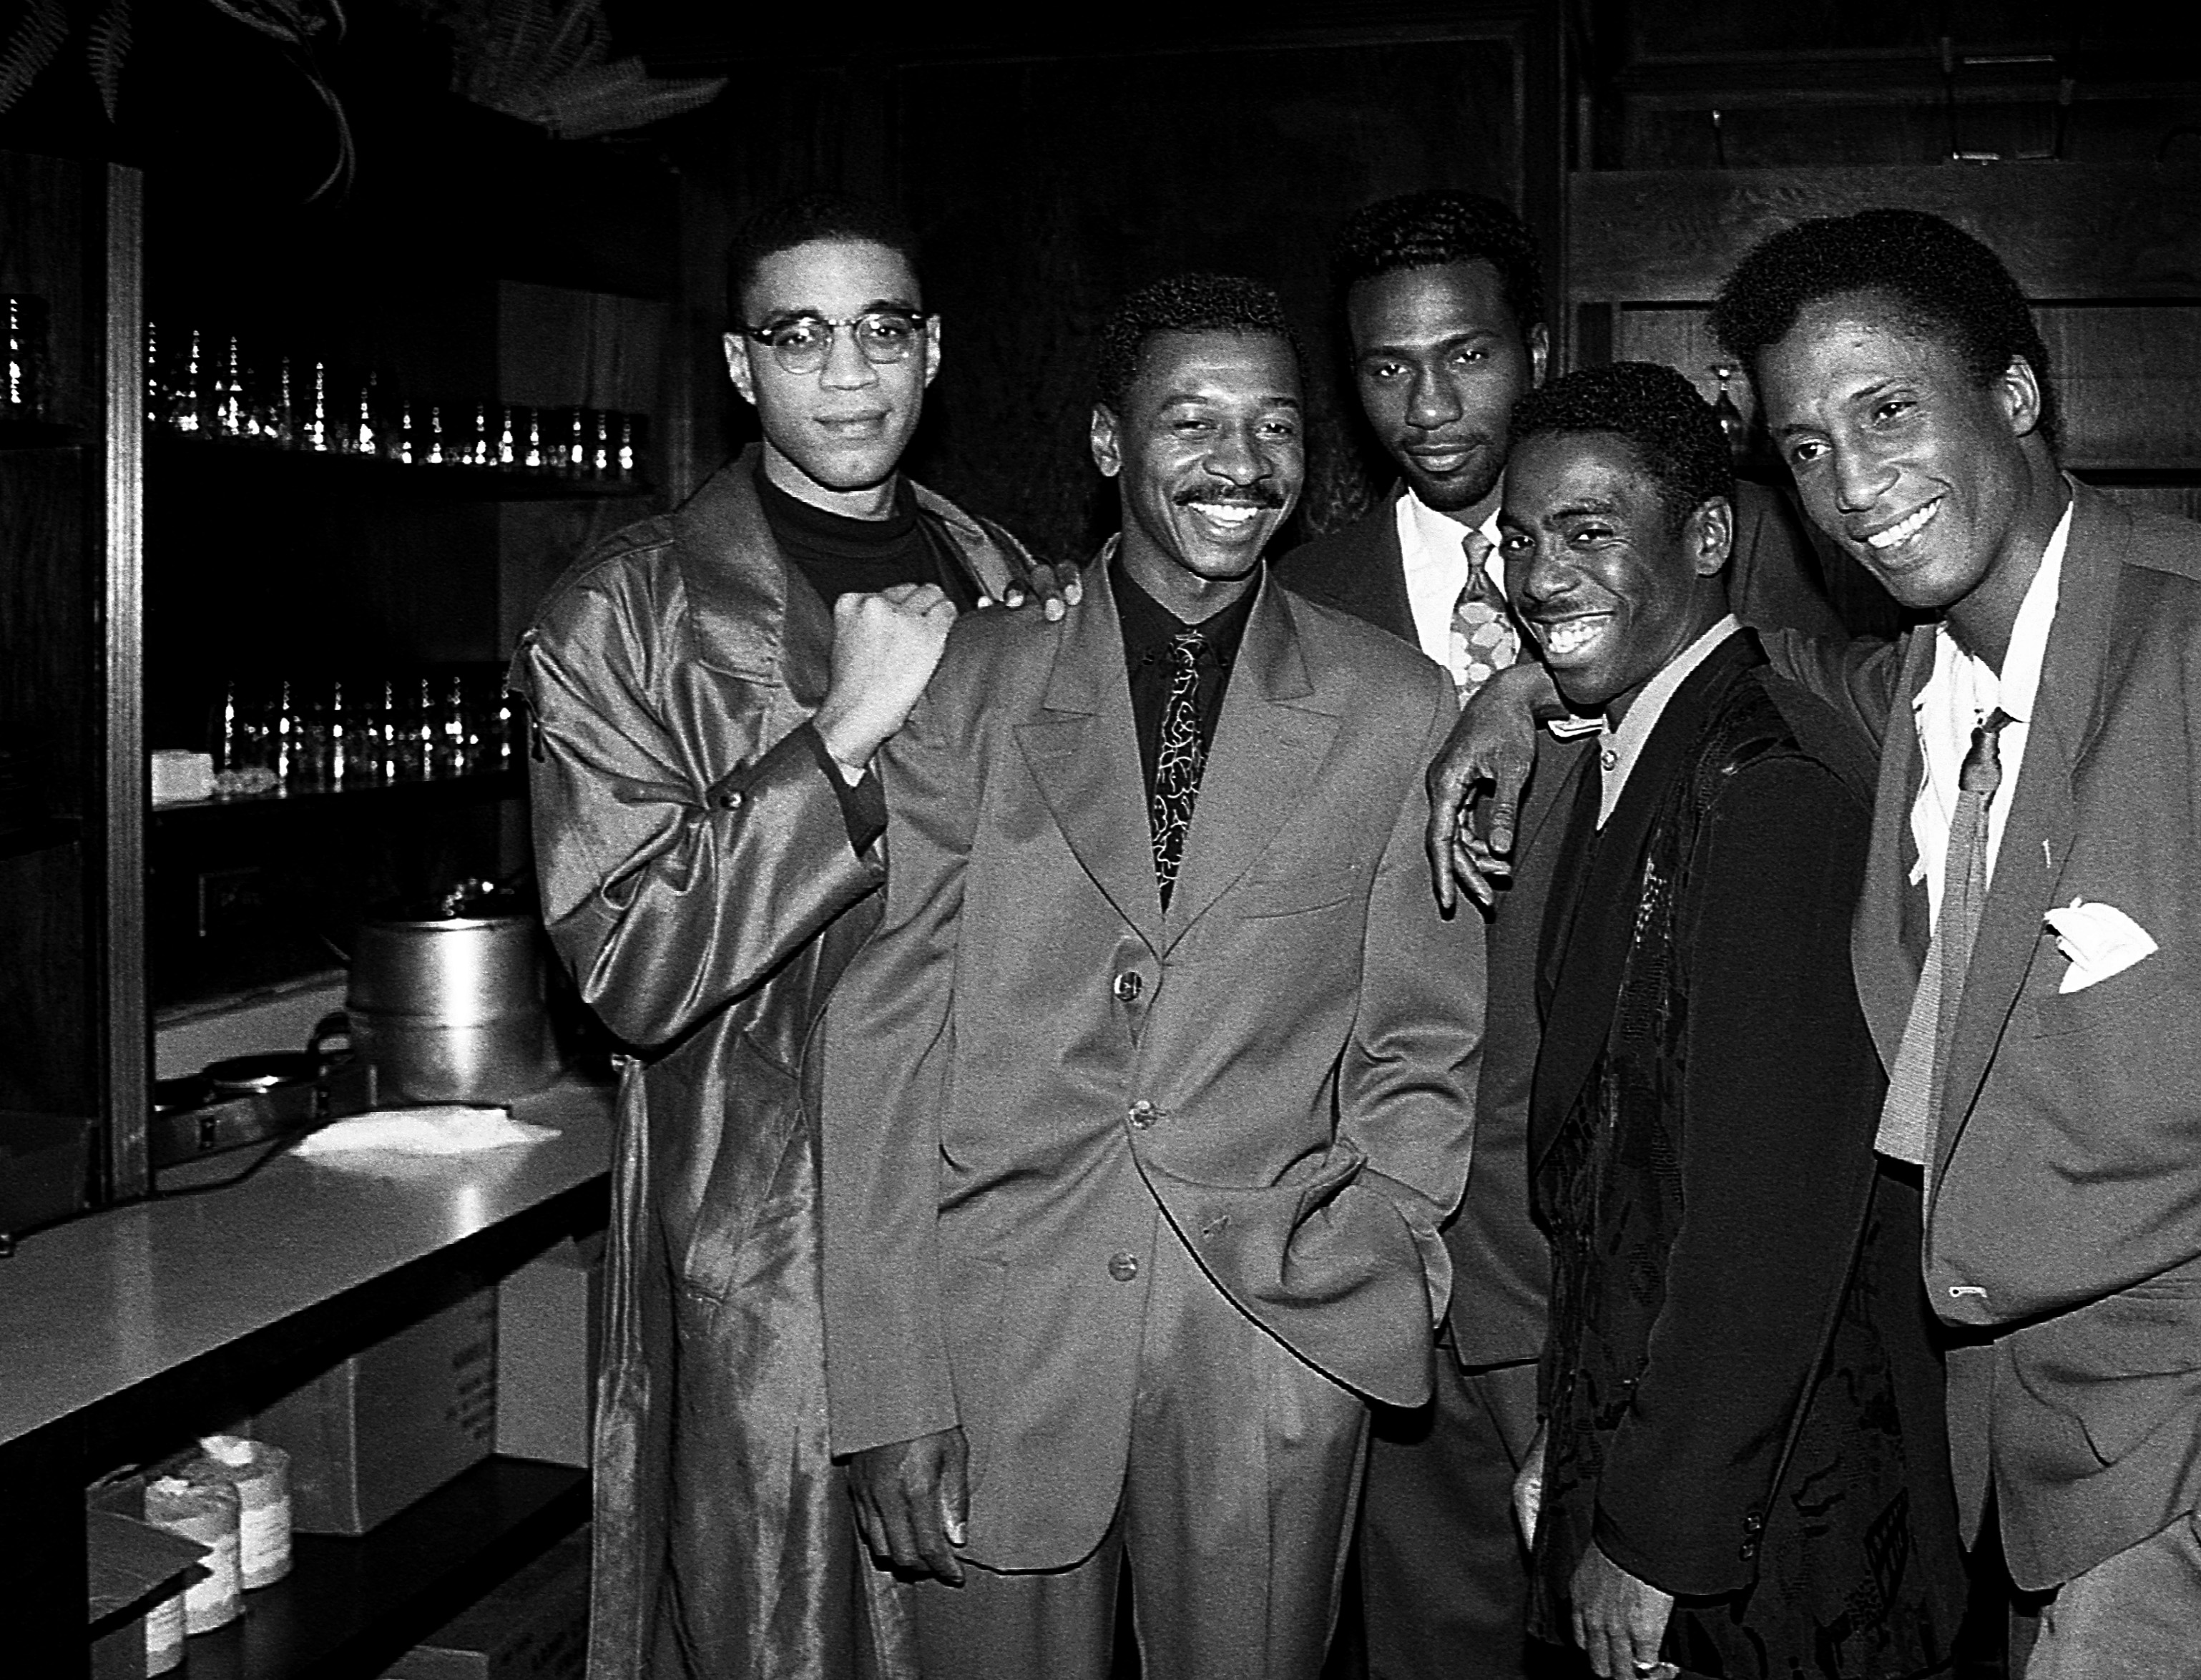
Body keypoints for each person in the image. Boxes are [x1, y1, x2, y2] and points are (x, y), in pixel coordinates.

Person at [1433, 207, 2201, 1679]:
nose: (1855, 486)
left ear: (2018, 393)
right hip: (2045, 1506)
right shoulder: (1925, 684)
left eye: (1888, 412)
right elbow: (1731, 659)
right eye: (1805, 447)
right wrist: (1527, 687)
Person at [815, 273, 1484, 1680]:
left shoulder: (1398, 702)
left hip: (1274, 1339)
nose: (1239, 464)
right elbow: (888, 1039)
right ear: (1112, 444)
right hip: (999, 1330)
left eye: (1277, 426)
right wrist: (885, 1378)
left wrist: (1388, 1259)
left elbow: (1421, 1036)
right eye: (1193, 420)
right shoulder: (967, 680)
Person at [1279, 185, 1846, 1680]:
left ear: (1529, 346)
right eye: (1386, 367)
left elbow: (1818, 689)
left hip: (1606, 1244)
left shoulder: (1692, 564)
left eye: (1463, 355)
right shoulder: (1297, 591)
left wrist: (1522, 681)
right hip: (1387, 1233)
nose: (1427, 399)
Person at [510, 190, 1069, 1680]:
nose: (846, 370)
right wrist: (838, 739)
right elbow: (629, 965)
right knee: (793, 1628)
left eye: (881, 329)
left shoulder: (1001, 570)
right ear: (741, 367)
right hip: (779, 1224)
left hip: (1009, 1199)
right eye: (798, 334)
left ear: (932, 351)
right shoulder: (618, 612)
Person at [1499, 363, 1968, 1680]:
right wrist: (1578, 1438)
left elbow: (1762, 1223)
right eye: (1519, 540)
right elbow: (1624, 1174)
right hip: (1673, 1467)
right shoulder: (1638, 740)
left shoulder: (1769, 787)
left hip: (1786, 1540)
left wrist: (1656, 1530)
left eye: (1589, 533)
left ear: (1707, 539)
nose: (1540, 575)